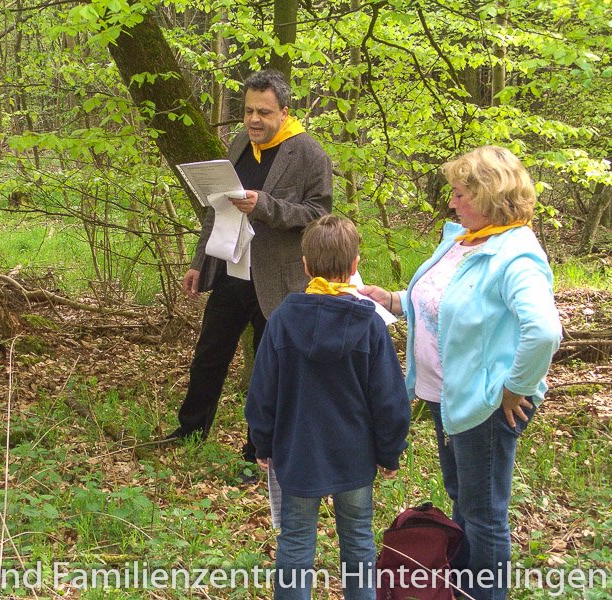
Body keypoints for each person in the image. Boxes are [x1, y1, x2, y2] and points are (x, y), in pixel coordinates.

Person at [361, 146, 562, 600]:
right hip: (446, 396)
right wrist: (393, 300)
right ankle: (463, 591)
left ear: (489, 195)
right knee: (463, 500)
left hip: (483, 404)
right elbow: (444, 299)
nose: (451, 202)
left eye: (459, 194)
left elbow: (544, 330)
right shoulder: (467, 239)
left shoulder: (515, 253)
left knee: (484, 514)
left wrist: (516, 387)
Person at [163, 70, 332, 465]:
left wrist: (266, 206)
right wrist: (199, 262)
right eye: (249, 111)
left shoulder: (309, 154)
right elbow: (217, 206)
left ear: (284, 112)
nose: (254, 120)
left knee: (269, 369)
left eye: (264, 113)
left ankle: (258, 452)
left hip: (277, 280)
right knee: (209, 355)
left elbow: (320, 215)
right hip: (231, 269)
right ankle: (190, 431)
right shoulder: (241, 143)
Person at [245, 214, 410, 600]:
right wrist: (389, 450)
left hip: (298, 454)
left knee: (295, 542)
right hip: (354, 456)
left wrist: (262, 442)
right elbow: (390, 399)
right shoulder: (371, 324)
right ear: (354, 266)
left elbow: (262, 391)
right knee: (358, 541)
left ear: (305, 265)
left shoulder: (282, 320)